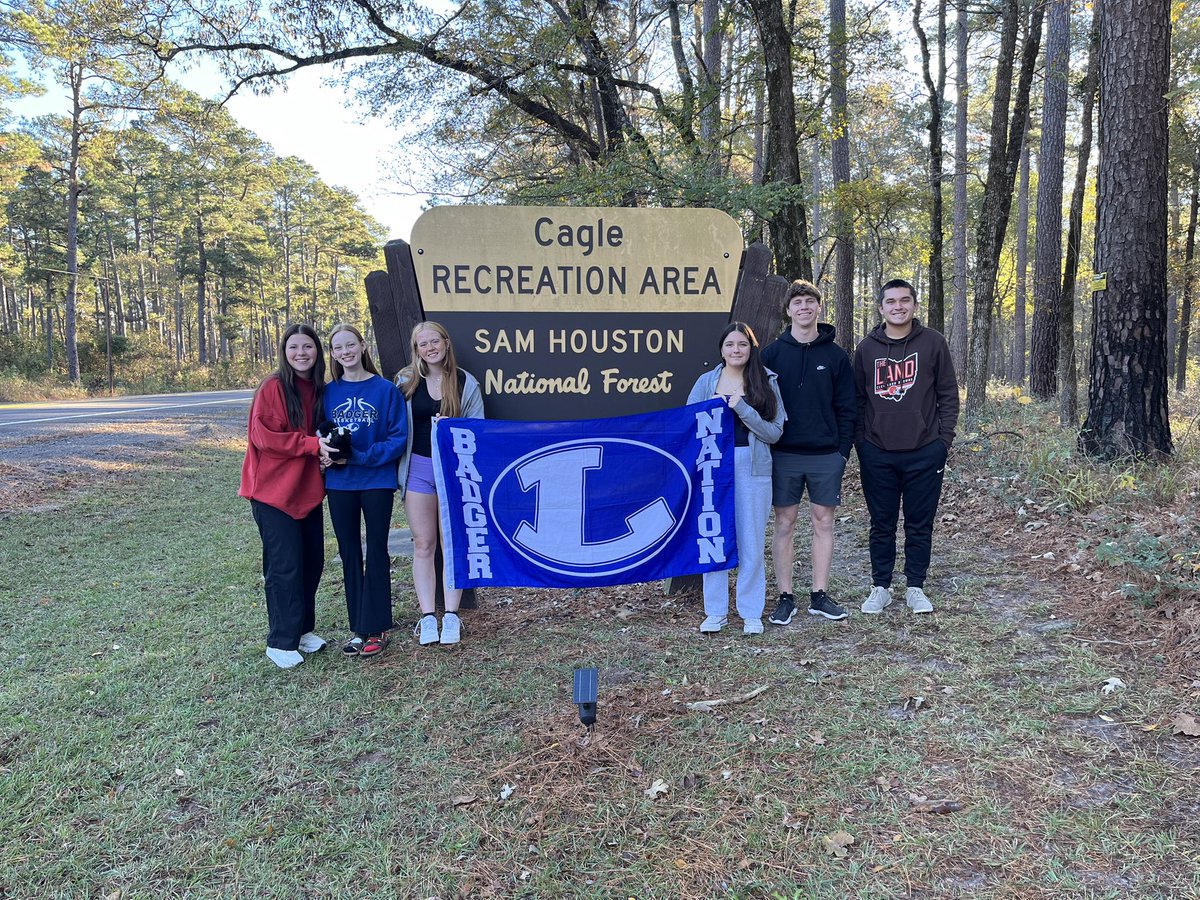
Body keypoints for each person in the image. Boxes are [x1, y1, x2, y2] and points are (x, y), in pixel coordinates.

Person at [853, 278, 959, 614]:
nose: (898, 306)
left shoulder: (933, 342)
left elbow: (948, 393)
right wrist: (862, 443)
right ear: (880, 308)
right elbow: (857, 400)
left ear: (914, 304)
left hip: (925, 451)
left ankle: (915, 587)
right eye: (891, 301)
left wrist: (943, 441)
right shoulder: (866, 349)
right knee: (881, 523)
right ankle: (881, 587)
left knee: (919, 523)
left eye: (904, 300)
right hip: (877, 452)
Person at [761, 280, 857, 626]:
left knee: (823, 522)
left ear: (819, 307)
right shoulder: (771, 354)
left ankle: (819, 595)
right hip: (783, 454)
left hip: (825, 455)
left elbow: (848, 407)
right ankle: (785, 597)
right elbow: (760, 405)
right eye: (797, 302)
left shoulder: (836, 356)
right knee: (784, 523)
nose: (803, 307)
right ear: (788, 310)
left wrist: (841, 452)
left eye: (809, 302)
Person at [239, 323, 335, 669]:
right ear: (284, 352)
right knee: (285, 567)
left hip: (306, 491)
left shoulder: (320, 389)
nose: (301, 353)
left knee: (311, 562)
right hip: (272, 493)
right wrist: (312, 445)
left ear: (317, 352)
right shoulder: (273, 387)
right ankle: (280, 641)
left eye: (307, 346)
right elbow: (265, 437)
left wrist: (328, 449)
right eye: (293, 347)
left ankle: (302, 630)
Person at [687, 322, 785, 635]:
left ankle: (751, 612)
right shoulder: (707, 381)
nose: (736, 350)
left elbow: (774, 432)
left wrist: (743, 408)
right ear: (721, 349)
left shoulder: (766, 380)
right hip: (714, 467)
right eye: (730, 344)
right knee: (714, 538)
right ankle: (715, 612)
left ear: (751, 348)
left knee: (751, 540)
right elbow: (689, 423)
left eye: (742, 344)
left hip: (752, 467)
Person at [396, 321, 485, 646]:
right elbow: (393, 425)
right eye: (423, 344)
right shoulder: (405, 381)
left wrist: (456, 425)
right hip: (417, 471)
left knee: (452, 544)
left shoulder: (464, 381)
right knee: (423, 544)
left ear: (446, 343)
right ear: (416, 349)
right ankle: (426, 617)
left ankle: (451, 615)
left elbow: (478, 428)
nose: (430, 348)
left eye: (435, 341)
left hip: (453, 472)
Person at [323, 324, 408, 658]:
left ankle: (378, 627)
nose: (345, 352)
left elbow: (398, 438)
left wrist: (358, 456)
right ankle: (359, 628)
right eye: (338, 347)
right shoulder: (328, 392)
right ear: (333, 353)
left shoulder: (385, 390)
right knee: (349, 552)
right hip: (340, 484)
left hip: (376, 482)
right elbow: (319, 433)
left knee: (376, 550)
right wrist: (325, 452)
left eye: (350, 345)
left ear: (362, 346)